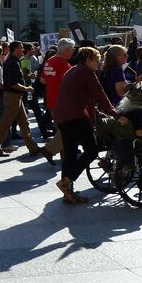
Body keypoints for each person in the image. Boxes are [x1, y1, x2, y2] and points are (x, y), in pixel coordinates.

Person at [51, 47, 126, 204]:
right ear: (88, 60)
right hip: (74, 117)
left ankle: (68, 192)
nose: (99, 63)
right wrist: (116, 115)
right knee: (91, 151)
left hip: (61, 116)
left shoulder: (72, 71)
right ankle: (66, 182)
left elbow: (86, 98)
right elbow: (100, 95)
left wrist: (98, 114)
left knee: (70, 153)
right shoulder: (87, 72)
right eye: (97, 60)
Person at [0, 41, 41, 158]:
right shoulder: (11, 62)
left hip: (16, 96)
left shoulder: (15, 61)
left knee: (24, 123)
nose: (23, 49)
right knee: (5, 123)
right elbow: (11, 83)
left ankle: (33, 148)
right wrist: (26, 88)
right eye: (21, 48)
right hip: (12, 96)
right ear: (15, 49)